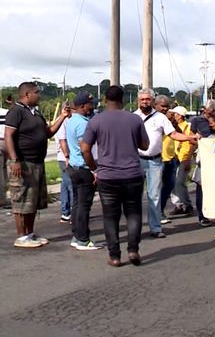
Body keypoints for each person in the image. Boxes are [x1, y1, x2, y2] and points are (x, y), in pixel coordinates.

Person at [81, 85, 149, 267]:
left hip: (107, 176)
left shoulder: (96, 121)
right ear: (123, 99)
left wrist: (94, 168)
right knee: (134, 214)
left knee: (110, 216)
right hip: (132, 173)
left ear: (105, 100)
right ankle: (133, 250)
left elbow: (85, 149)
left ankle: (115, 256)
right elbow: (144, 145)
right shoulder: (135, 119)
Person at [5, 82, 71, 248]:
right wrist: (14, 160)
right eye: (36, 92)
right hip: (22, 163)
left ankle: (30, 233)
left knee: (32, 201)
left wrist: (62, 116)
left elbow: (48, 132)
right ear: (27, 94)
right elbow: (8, 136)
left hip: (37, 162)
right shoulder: (16, 111)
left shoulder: (35, 113)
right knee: (21, 199)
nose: (39, 95)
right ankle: (21, 236)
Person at [135, 91, 198, 239]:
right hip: (137, 161)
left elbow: (174, 135)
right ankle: (135, 228)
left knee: (154, 195)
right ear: (139, 101)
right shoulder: (133, 117)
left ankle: (156, 227)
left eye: (148, 99)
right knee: (135, 196)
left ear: (152, 101)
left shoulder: (161, 118)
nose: (145, 102)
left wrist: (190, 137)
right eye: (142, 99)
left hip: (156, 161)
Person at [66, 92, 102, 250]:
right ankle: (82, 239)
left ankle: (76, 235)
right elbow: (85, 150)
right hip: (84, 167)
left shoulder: (72, 120)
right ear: (82, 106)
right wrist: (94, 169)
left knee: (77, 204)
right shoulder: (82, 124)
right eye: (90, 104)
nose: (92, 106)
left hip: (74, 166)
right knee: (84, 205)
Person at [170, 106, 195, 216]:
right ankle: (178, 205)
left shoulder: (188, 127)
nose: (174, 116)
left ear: (180, 116)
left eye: (175, 114)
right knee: (173, 183)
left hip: (184, 158)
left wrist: (188, 158)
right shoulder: (173, 127)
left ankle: (187, 205)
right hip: (174, 157)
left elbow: (192, 143)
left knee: (180, 182)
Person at [159, 106, 178, 225]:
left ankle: (160, 208)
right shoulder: (161, 124)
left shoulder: (174, 127)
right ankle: (158, 212)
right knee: (157, 188)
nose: (172, 115)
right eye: (170, 113)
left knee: (169, 185)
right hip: (160, 159)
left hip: (171, 159)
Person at [55, 116, 73, 223]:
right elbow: (62, 140)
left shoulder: (66, 121)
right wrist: (67, 157)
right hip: (65, 158)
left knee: (65, 185)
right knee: (72, 185)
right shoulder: (63, 122)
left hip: (63, 158)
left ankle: (65, 213)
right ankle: (73, 212)